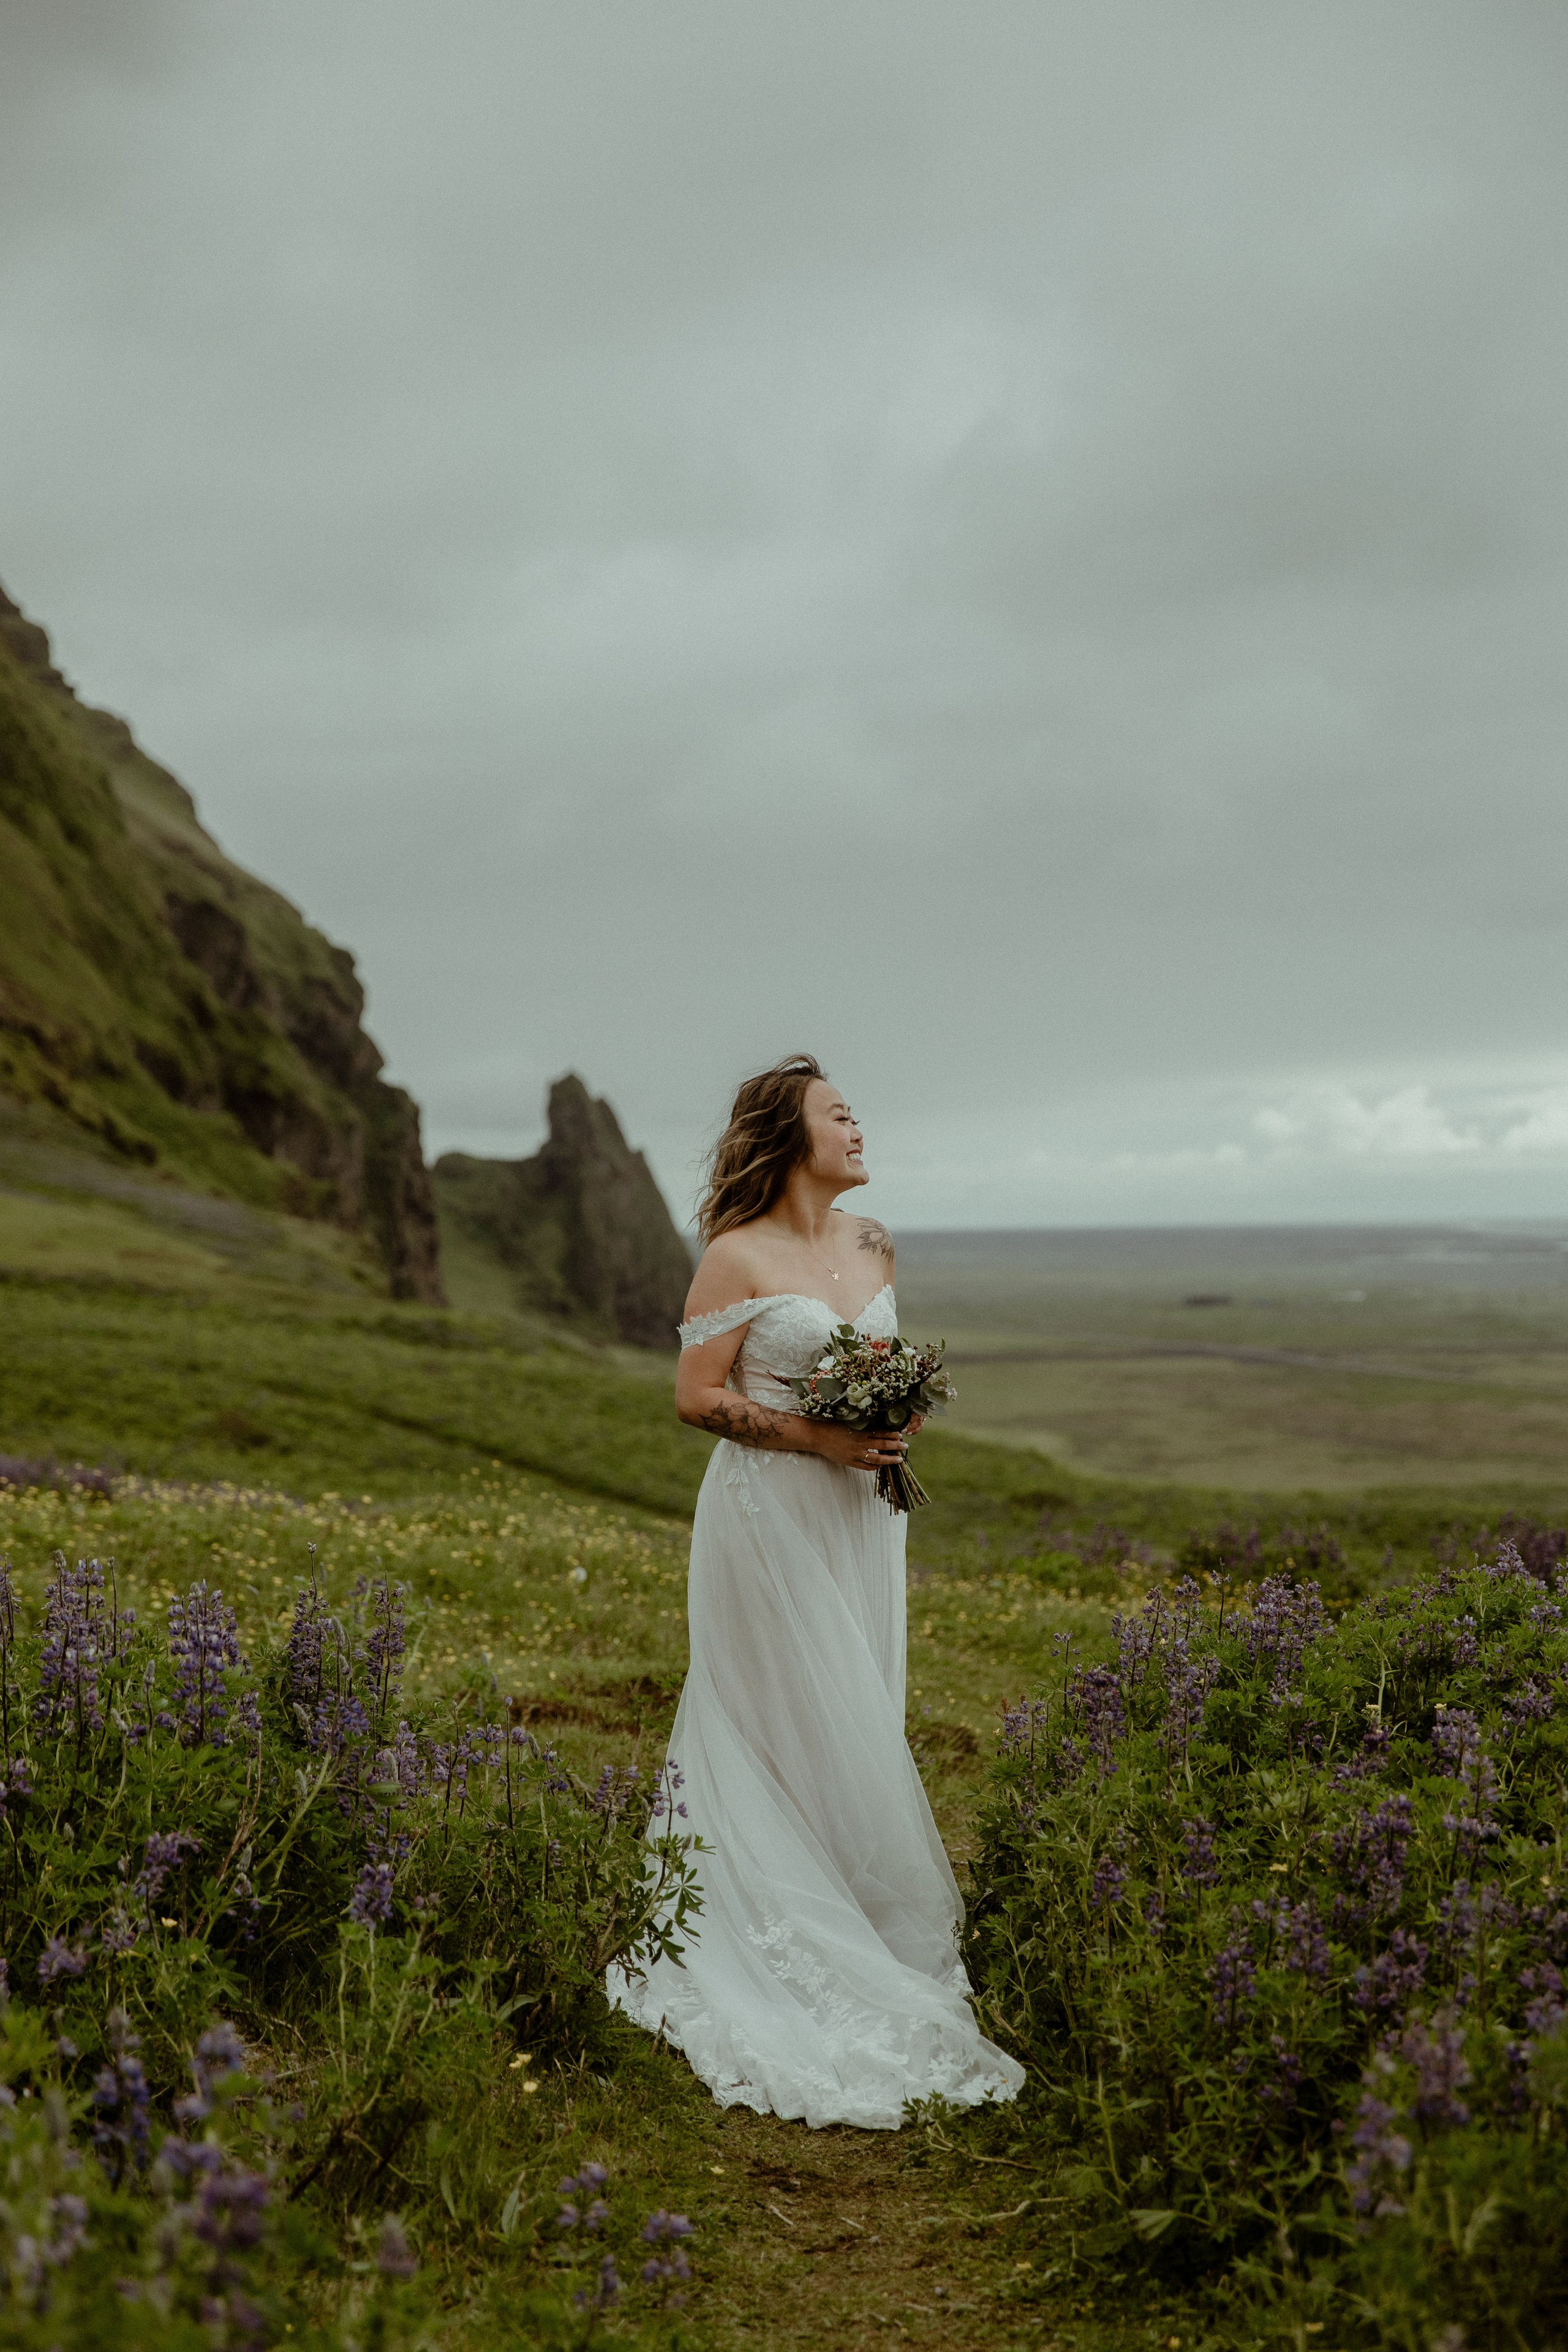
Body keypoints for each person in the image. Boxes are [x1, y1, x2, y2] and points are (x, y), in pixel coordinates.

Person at [606, 1054, 1024, 2129]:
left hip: (859, 1518)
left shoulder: (874, 1245)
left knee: (855, 1700)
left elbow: (884, 1366)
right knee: (772, 1712)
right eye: (840, 1114)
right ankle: (763, 1930)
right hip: (770, 1512)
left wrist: (895, 1425)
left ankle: (851, 1906)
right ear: (789, 1137)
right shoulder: (735, 1256)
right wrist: (816, 1440)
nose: (859, 1128)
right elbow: (698, 1397)